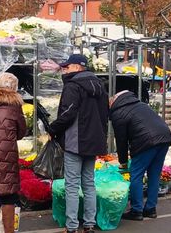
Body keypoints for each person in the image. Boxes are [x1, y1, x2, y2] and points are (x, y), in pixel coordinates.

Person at [48, 54, 108, 233]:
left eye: (67, 67)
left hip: (75, 142)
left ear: (76, 67)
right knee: (89, 183)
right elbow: (105, 114)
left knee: (72, 185)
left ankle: (72, 226)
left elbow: (67, 113)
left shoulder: (73, 86)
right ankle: (89, 224)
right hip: (94, 142)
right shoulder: (100, 86)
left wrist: (53, 129)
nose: (65, 69)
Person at [109, 91, 171, 221]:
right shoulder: (141, 105)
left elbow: (121, 140)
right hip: (164, 138)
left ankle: (136, 210)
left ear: (113, 101)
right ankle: (151, 208)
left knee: (136, 175)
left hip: (146, 142)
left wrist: (123, 162)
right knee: (154, 175)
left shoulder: (118, 113)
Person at [0, 73, 26, 233]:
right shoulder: (14, 106)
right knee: (8, 195)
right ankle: (8, 230)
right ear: (14, 88)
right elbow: (21, 132)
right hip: (6, 156)